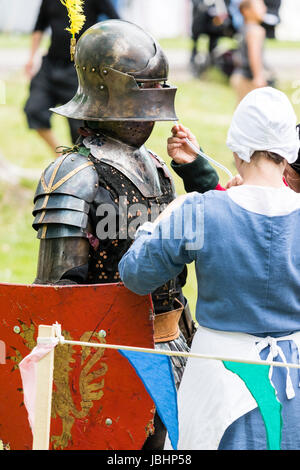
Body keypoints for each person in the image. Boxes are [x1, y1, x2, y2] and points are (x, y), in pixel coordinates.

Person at [31, 19, 219, 450]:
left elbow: (217, 230)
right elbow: (58, 295)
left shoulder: (155, 165)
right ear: (106, 89)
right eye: (143, 92)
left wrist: (200, 174)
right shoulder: (73, 175)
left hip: (176, 341)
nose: (150, 116)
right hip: (110, 352)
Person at [118, 87, 300, 450]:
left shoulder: (197, 212)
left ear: (236, 149)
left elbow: (135, 275)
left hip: (221, 378)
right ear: (288, 154)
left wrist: (157, 226)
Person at [24, 0, 120, 156]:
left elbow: (116, 24)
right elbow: (39, 26)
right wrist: (31, 57)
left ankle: (83, 163)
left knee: (80, 127)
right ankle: (61, 156)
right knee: (34, 109)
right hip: (50, 65)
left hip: (81, 69)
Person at [230, 0, 268, 103]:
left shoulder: (243, 28)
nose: (264, 9)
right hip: (248, 78)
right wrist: (258, 77)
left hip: (238, 75)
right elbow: (254, 55)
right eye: (259, 7)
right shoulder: (256, 30)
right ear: (246, 11)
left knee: (242, 110)